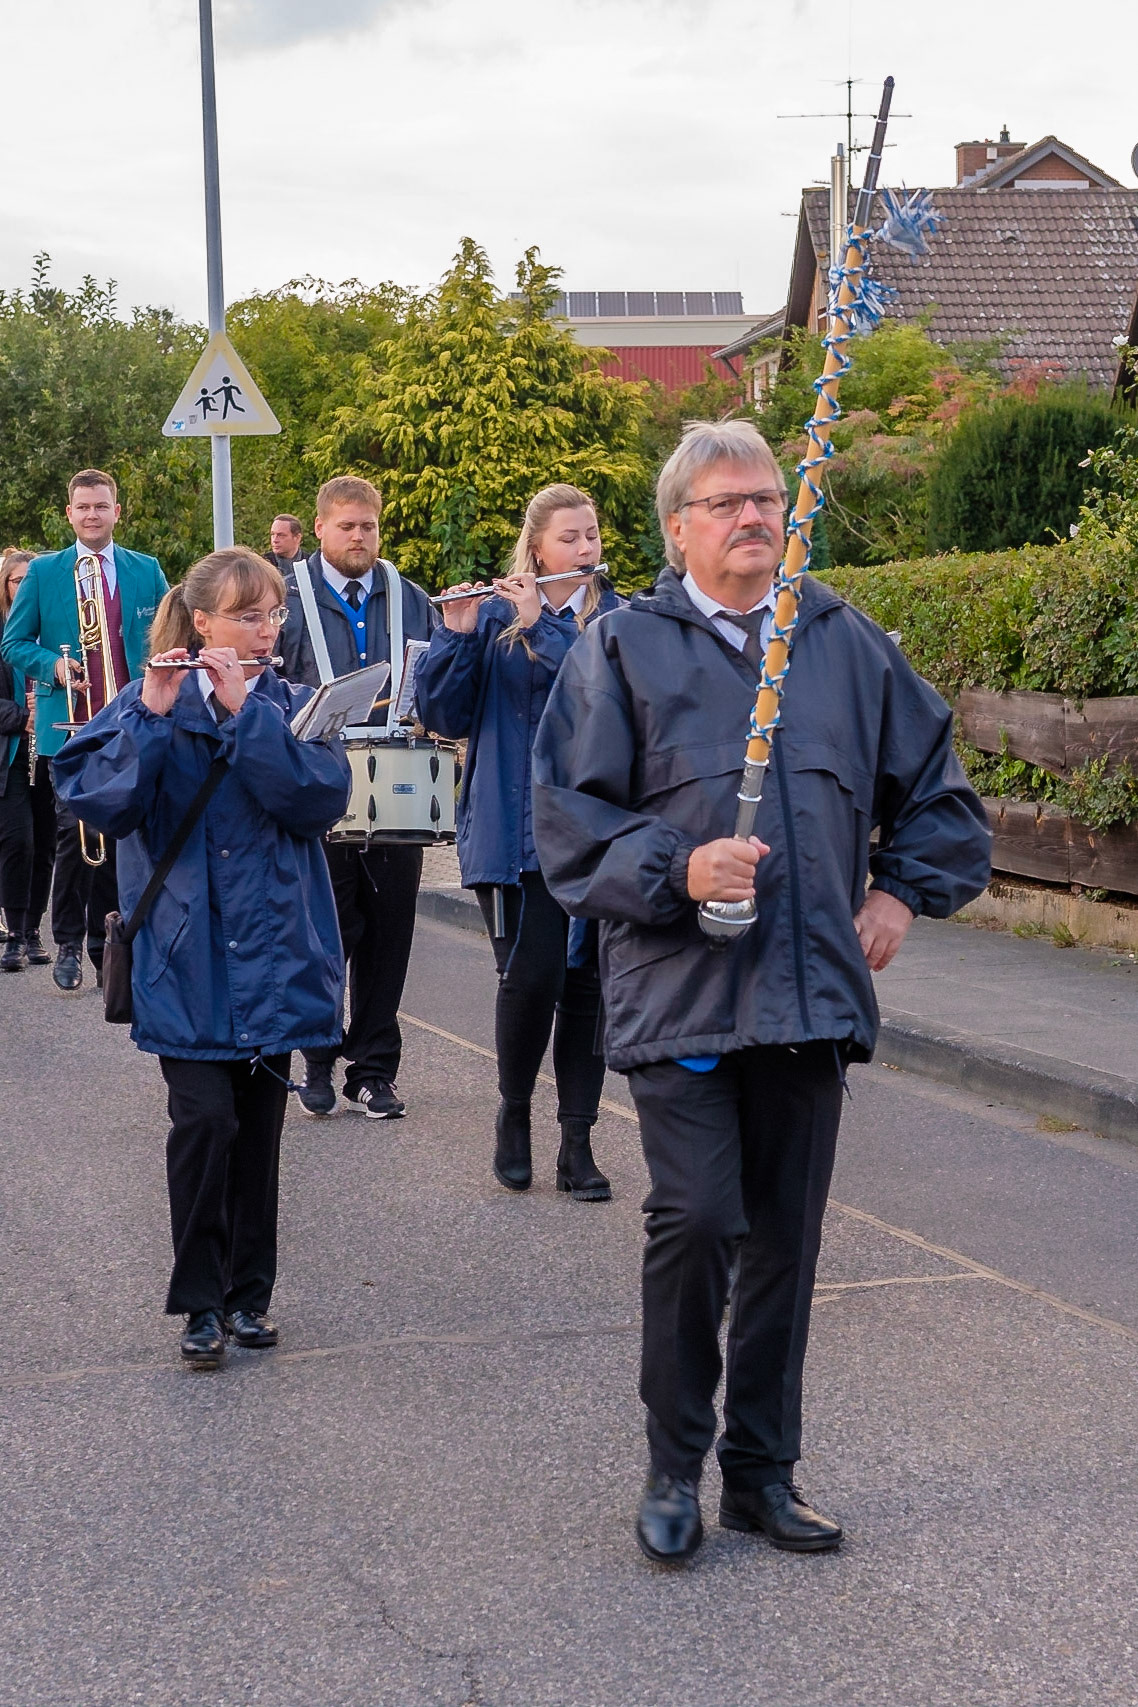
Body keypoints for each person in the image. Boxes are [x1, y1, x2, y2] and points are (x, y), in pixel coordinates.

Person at [532, 420, 991, 1564]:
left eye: (766, 500)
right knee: (697, 1220)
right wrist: (676, 869)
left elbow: (939, 791)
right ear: (676, 527)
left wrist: (900, 893)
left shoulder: (839, 640)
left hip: (808, 995)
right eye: (726, 502)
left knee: (784, 1239)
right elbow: (568, 824)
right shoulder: (622, 649)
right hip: (680, 994)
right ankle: (671, 1468)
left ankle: (760, 1473)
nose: (752, 518)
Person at [52, 547, 351, 1370]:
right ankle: (199, 1302)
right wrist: (151, 716)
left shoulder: (289, 703)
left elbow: (317, 799)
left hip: (275, 955)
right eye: (248, 616)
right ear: (202, 621)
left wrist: (248, 712)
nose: (266, 629)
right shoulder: (147, 699)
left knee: (258, 1135)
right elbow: (99, 801)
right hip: (184, 959)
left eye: (274, 613)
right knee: (205, 1124)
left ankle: (249, 1297)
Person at [416, 484, 621, 1199]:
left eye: (591, 535)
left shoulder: (619, 619)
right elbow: (443, 714)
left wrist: (546, 626)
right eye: (570, 538)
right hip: (512, 831)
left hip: (595, 832)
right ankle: (514, 1111)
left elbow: (607, 699)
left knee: (588, 987)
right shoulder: (497, 615)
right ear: (535, 549)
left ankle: (578, 1142)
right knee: (532, 979)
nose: (585, 548)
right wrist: (456, 633)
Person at [276, 474, 436, 1121]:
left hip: (395, 782)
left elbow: (435, 679)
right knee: (326, 932)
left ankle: (373, 1070)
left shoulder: (411, 597)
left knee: (389, 933)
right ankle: (317, 1055)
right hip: (319, 782)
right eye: (346, 526)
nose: (359, 537)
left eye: (368, 526)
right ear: (319, 528)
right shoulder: (287, 598)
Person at [1, 470, 167, 992]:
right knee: (74, 835)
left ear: (117, 511)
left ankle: (107, 945)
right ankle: (70, 941)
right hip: (68, 724)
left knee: (121, 837)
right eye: (83, 507)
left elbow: (170, 632)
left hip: (131, 722)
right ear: (69, 514)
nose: (92, 515)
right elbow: (13, 643)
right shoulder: (44, 572)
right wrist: (52, 665)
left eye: (101, 506)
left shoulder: (146, 569)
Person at [0, 552, 57, 969]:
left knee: (46, 844)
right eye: (16, 581)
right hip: (11, 754)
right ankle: (15, 934)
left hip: (51, 749)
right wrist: (23, 717)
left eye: (28, 581)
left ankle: (35, 931)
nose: (23, 588)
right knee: (19, 842)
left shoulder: (51, 633)